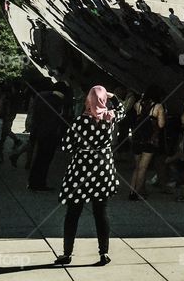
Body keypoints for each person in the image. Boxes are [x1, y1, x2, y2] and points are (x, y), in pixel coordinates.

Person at [54, 86, 124, 267]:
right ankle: (104, 253)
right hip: (103, 169)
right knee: (101, 212)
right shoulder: (110, 117)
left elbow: (67, 146)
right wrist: (113, 96)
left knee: (73, 213)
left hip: (81, 169)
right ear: (103, 100)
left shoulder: (80, 122)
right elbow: (121, 109)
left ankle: (67, 253)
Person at [27, 81, 70, 191]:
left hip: (39, 131)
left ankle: (33, 182)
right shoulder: (60, 101)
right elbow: (60, 118)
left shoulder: (41, 96)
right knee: (45, 160)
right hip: (51, 134)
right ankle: (40, 183)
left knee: (38, 158)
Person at [128, 85, 167, 200]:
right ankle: (138, 193)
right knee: (143, 168)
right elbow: (161, 124)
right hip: (149, 140)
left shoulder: (137, 104)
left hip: (137, 138)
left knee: (137, 167)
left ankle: (131, 191)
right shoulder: (158, 106)